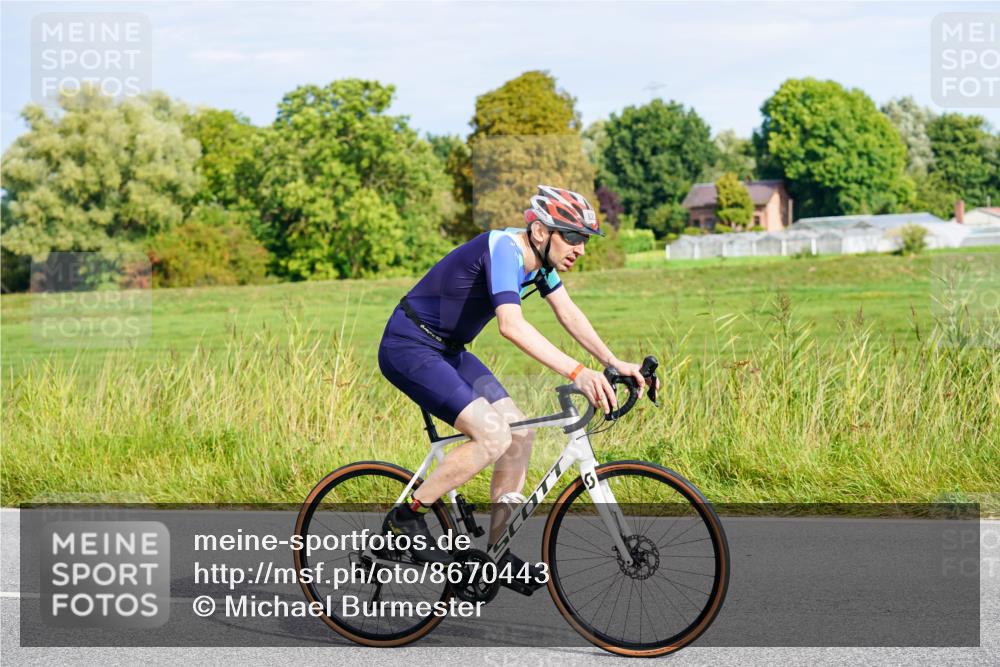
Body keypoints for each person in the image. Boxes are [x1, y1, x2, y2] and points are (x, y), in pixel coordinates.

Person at [377, 185, 655, 594]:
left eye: (584, 239)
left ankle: (496, 551)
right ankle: (406, 518)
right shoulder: (504, 250)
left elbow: (568, 312)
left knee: (520, 432)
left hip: (449, 351)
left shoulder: (541, 264)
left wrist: (614, 363)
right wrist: (577, 371)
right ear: (541, 231)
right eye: (572, 236)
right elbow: (511, 325)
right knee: (492, 434)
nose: (580, 248)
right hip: (410, 346)